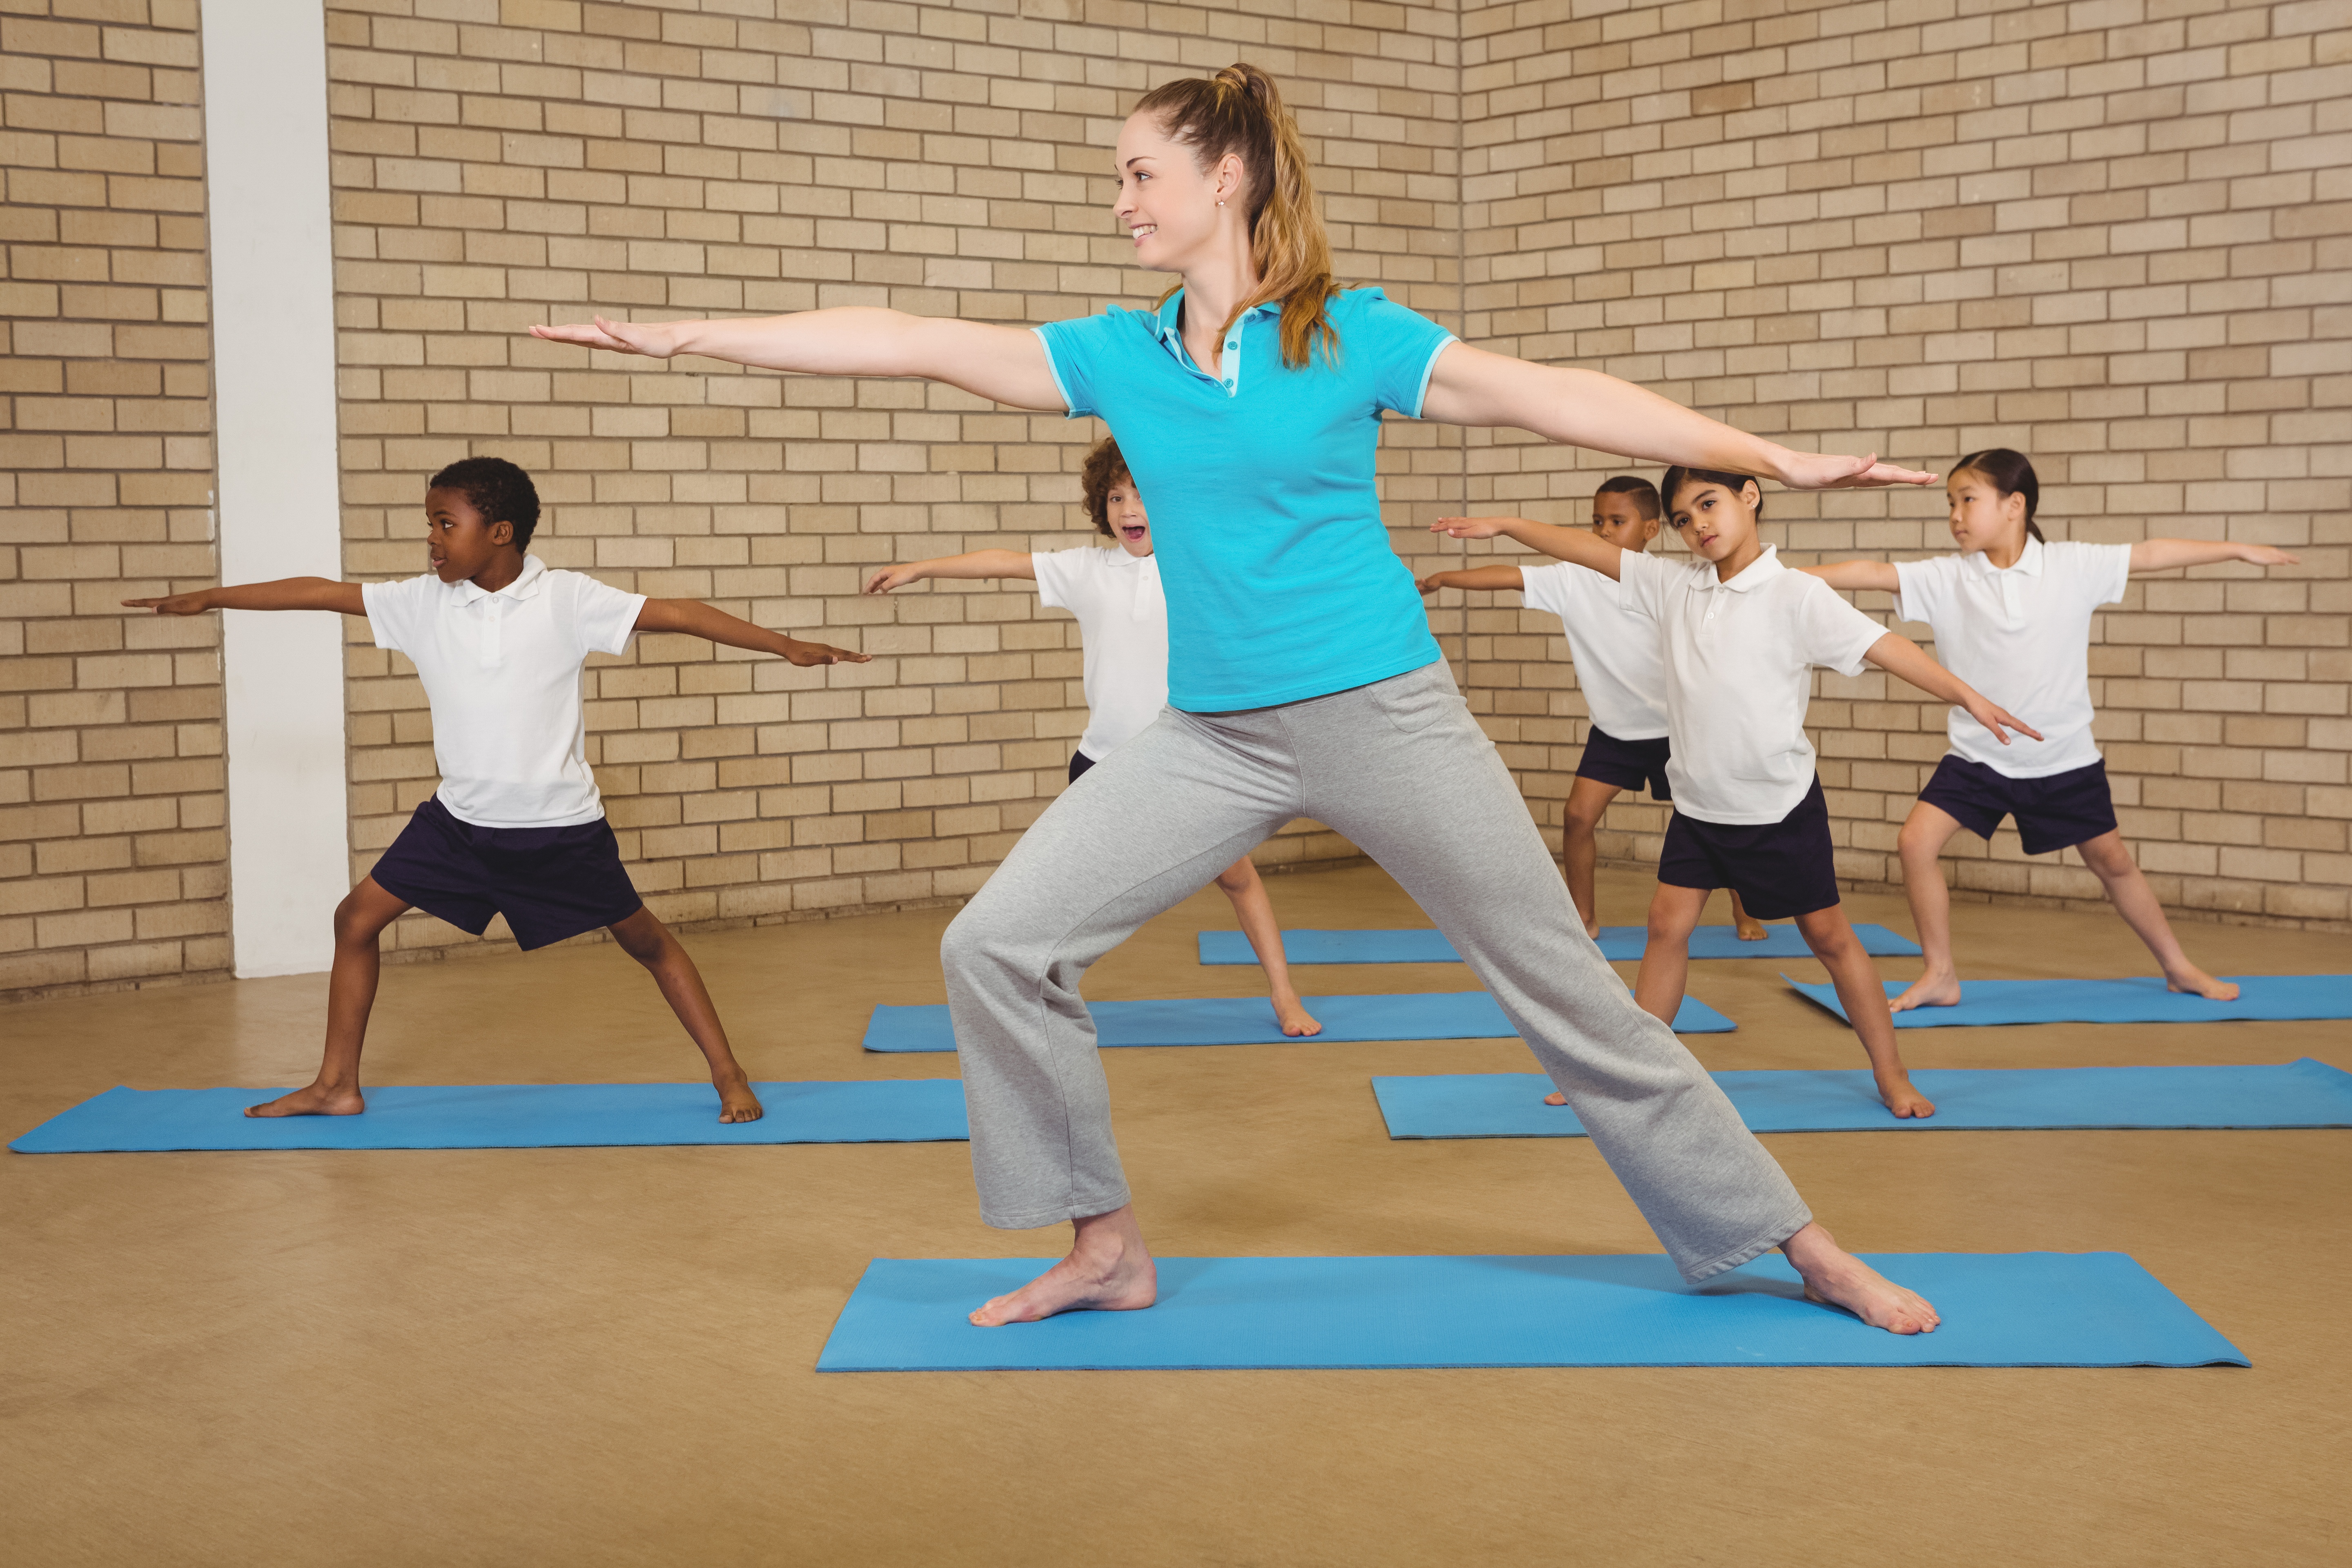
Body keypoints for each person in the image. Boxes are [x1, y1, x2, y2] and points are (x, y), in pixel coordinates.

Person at [533, 63, 1954, 1335]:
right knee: (998, 947)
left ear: (1228, 177)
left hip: (1383, 712)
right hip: (1212, 735)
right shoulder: (1118, 354)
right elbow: (909, 337)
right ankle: (1104, 1244)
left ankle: (1790, 1241)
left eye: (1137, 174)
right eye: (1115, 179)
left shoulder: (1350, 334)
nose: (1118, 203)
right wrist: (694, 334)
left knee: (1570, 994)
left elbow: (1557, 398)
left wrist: (1778, 455)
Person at [123, 457, 867, 1123]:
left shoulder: (566, 599)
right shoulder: (422, 603)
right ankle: (335, 1085)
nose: (433, 539)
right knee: (356, 919)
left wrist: (784, 645)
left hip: (559, 827)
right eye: (430, 525)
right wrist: (214, 597)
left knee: (647, 943)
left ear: (501, 532)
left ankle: (729, 1074)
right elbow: (321, 592)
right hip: (460, 824)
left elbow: (680, 614)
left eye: (447, 524)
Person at [1434, 468, 2039, 1119]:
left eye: (1709, 505)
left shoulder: (1795, 595)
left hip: (1777, 808)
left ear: (1750, 496)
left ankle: (1892, 1075)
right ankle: (1630, 1075)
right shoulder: (1671, 585)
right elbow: (1583, 551)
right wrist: (1506, 526)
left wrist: (1968, 695)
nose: (1699, 526)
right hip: (1698, 807)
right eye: (1684, 518)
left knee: (1831, 940)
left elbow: (1887, 647)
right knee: (1666, 927)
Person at [1802, 449, 2299, 1011]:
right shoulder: (1946, 578)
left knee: (2112, 862)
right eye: (1951, 503)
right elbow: (1869, 573)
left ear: (2015, 506)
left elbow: (2152, 553)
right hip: (1980, 757)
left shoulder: (2071, 566)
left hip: (2063, 756)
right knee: (1916, 842)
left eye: (1968, 500)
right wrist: (1782, 578)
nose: (1955, 515)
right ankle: (1940, 973)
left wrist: (2235, 549)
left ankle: (2179, 966)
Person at [862, 437, 1323, 1036]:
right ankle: (1041, 989)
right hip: (1103, 764)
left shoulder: (1201, 564)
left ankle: (1285, 996)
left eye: (1144, 496)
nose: (1130, 509)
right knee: (1067, 887)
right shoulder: (1087, 570)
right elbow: (1005, 562)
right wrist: (924, 568)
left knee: (1238, 879)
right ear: (1100, 507)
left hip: (1189, 762)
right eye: (1116, 497)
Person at [1418, 474, 1769, 943]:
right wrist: (1445, 579)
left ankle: (1745, 911)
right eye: (1598, 521)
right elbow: (1508, 576)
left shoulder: (1664, 584)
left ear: (1649, 530)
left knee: (1713, 822)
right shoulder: (1572, 580)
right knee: (1578, 817)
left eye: (1617, 521)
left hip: (1677, 732)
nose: (1604, 530)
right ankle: (1583, 917)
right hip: (1616, 733)